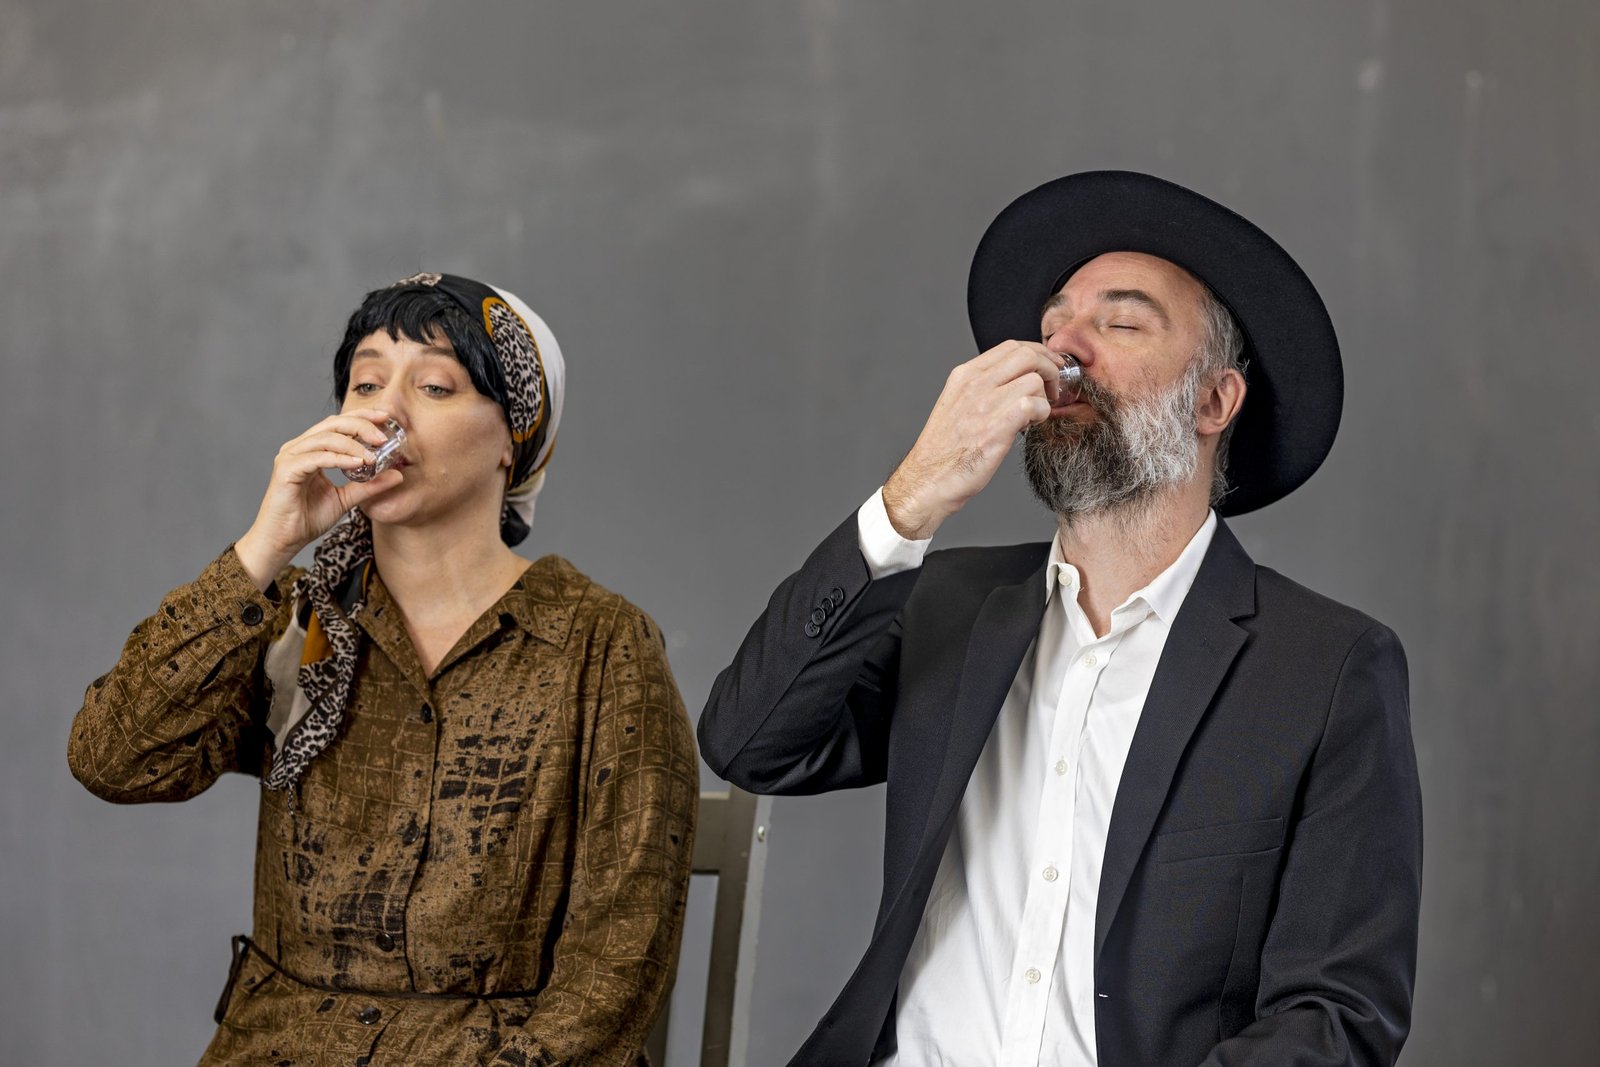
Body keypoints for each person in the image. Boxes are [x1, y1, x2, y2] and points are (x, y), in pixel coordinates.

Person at [697, 171, 1422, 1066]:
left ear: (1213, 402)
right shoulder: (949, 606)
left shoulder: (1326, 666)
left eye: (1118, 323)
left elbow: (1338, 1017)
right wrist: (909, 500)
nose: (1062, 352)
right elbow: (749, 740)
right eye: (1052, 326)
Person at [68, 273, 698, 1066]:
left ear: (515, 440)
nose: (383, 411)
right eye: (365, 383)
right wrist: (264, 549)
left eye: (434, 384)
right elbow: (112, 758)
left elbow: (618, 962)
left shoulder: (600, 644)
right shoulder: (294, 620)